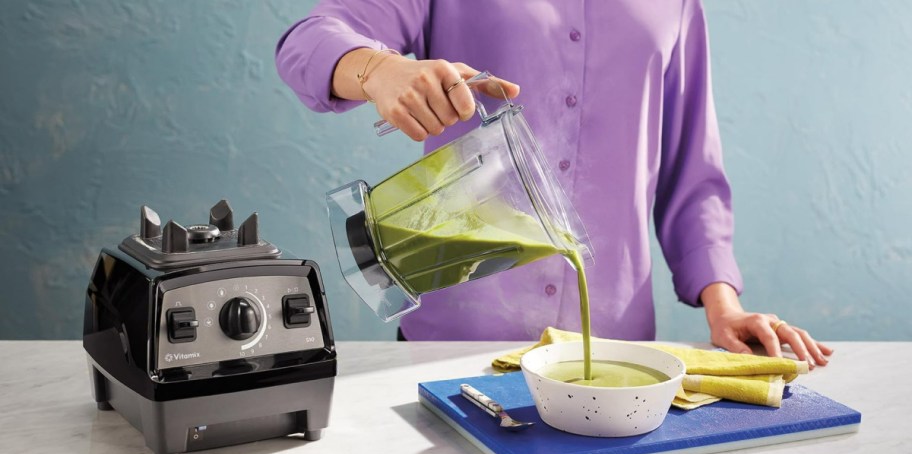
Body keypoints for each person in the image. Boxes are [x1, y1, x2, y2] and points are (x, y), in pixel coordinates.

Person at [275, 0, 833, 367]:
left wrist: (724, 307)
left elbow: (692, 172)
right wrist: (379, 70)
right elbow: (309, 41)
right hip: (452, 350)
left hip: (617, 353)